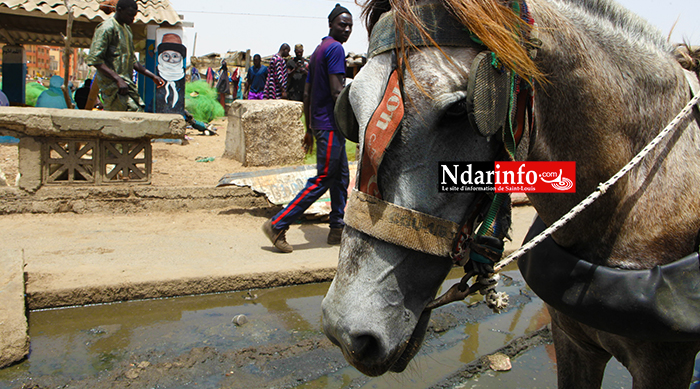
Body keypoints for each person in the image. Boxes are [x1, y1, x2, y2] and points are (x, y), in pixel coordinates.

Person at [262, 3, 353, 253]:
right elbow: (337, 92)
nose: (346, 29)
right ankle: (278, 224)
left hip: (322, 124)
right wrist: (355, 118)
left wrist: (309, 128)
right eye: (342, 24)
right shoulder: (334, 49)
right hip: (332, 125)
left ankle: (337, 227)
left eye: (349, 26)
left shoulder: (319, 49)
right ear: (331, 24)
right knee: (324, 177)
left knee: (341, 177)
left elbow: (307, 92)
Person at [86, 0, 164, 111]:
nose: (132, 19)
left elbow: (132, 61)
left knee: (136, 110)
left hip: (126, 83)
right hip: (112, 85)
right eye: (129, 15)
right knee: (129, 112)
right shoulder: (106, 28)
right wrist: (117, 79)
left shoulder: (127, 30)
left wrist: (152, 76)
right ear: (119, 10)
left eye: (134, 16)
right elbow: (95, 60)